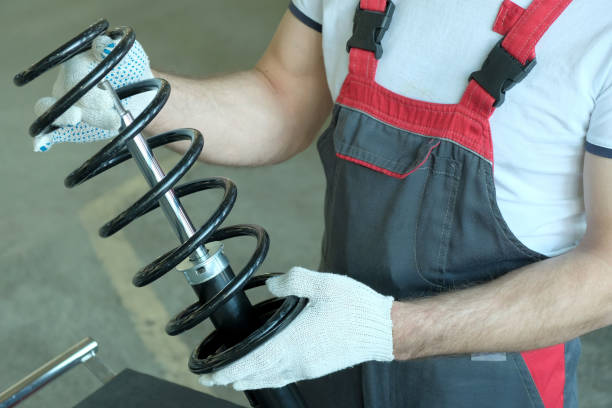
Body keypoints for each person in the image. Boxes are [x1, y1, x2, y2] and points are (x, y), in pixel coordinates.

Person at [35, 0, 612, 407]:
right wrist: (142, 95)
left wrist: (388, 330)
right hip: (324, 349)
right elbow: (283, 99)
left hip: (490, 383)